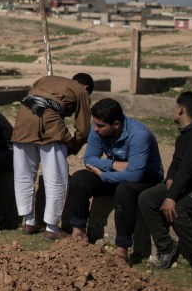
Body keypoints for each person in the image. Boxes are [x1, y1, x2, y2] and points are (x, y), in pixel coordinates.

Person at [138, 92, 192, 282]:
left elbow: (187, 170)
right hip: (185, 186)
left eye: (176, 106)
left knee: (177, 209)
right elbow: (176, 165)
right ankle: (166, 247)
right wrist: (169, 181)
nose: (174, 110)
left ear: (181, 109)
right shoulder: (184, 135)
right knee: (147, 197)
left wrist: (171, 196)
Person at [69, 98, 164, 261]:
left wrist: (104, 175)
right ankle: (78, 232)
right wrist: (113, 164)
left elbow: (134, 175)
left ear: (116, 125)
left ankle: (122, 249)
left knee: (124, 190)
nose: (95, 129)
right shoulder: (98, 129)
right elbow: (89, 159)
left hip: (146, 178)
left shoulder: (139, 135)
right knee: (79, 179)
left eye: (100, 126)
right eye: (95, 124)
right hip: (116, 173)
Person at [12, 73, 94, 242]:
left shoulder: (46, 79)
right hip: (48, 122)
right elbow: (84, 129)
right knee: (56, 177)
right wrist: (72, 146)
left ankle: (29, 222)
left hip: (23, 119)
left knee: (23, 174)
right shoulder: (81, 91)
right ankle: (52, 228)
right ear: (86, 87)